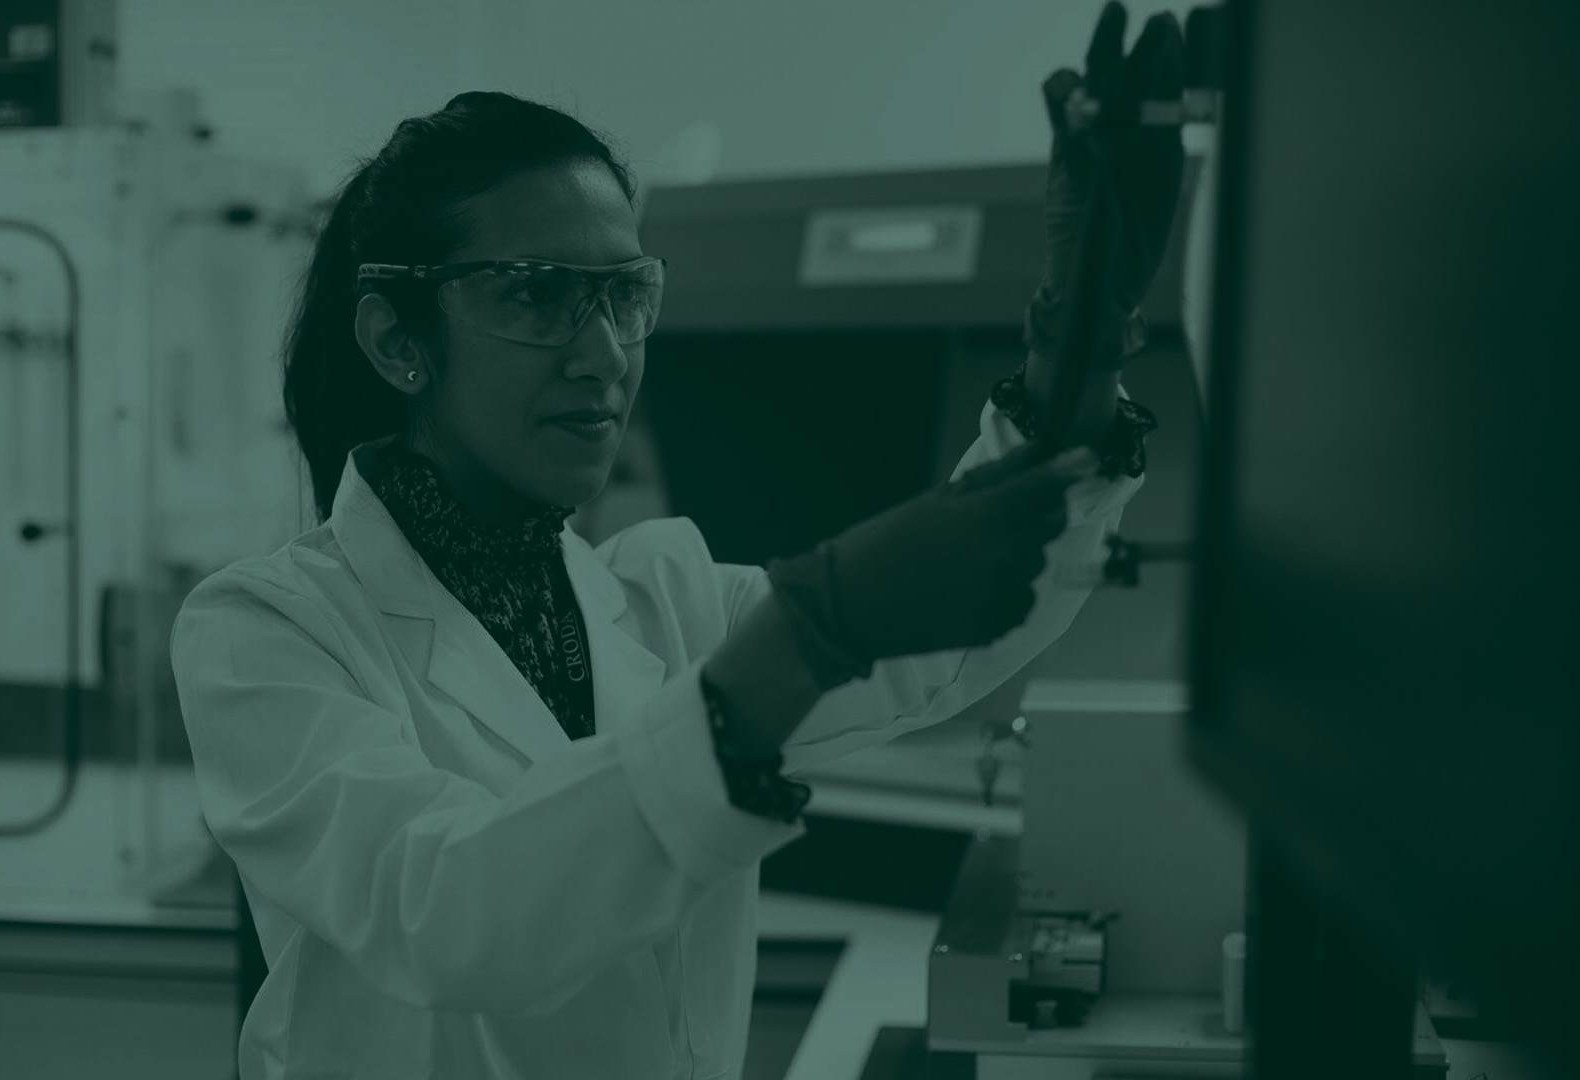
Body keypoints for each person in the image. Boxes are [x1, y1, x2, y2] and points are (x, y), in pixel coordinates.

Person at [170, 8, 1178, 1077]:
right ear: (398, 343)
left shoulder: (655, 597)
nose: (603, 354)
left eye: (621, 295)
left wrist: (1079, 335)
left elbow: (958, 639)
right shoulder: (267, 630)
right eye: (536, 294)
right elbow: (449, 915)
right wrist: (807, 628)